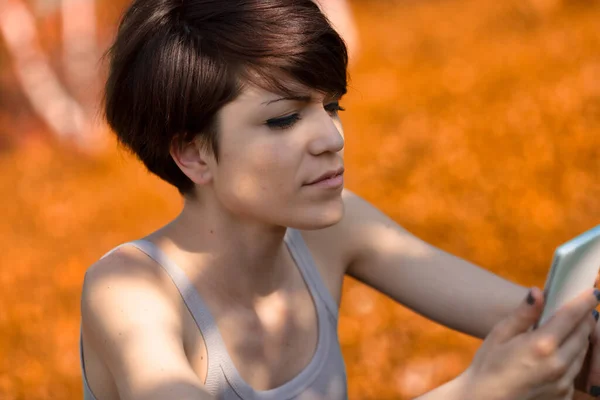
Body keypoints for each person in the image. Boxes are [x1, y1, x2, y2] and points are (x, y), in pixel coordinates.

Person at [79, 0, 600, 399]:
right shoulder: (130, 292)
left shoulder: (335, 228)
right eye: (283, 118)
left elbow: (531, 318)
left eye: (331, 106)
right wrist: (474, 391)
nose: (331, 137)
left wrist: (574, 342)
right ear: (193, 153)